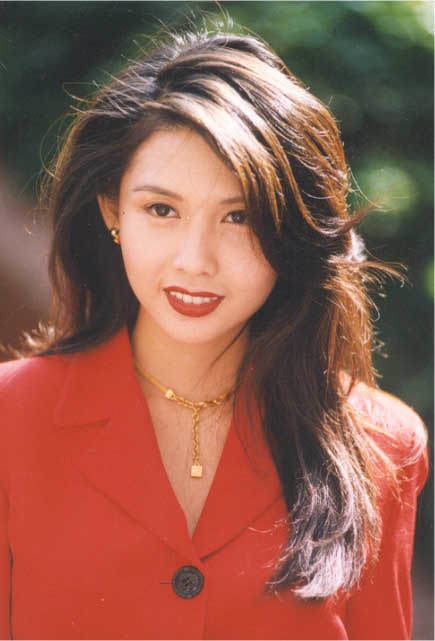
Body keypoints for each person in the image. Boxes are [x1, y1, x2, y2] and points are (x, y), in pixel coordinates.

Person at [0, 21, 429, 641]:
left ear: (291, 231)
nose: (194, 259)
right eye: (162, 210)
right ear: (112, 212)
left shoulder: (383, 446)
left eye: (239, 216)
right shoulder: (11, 423)